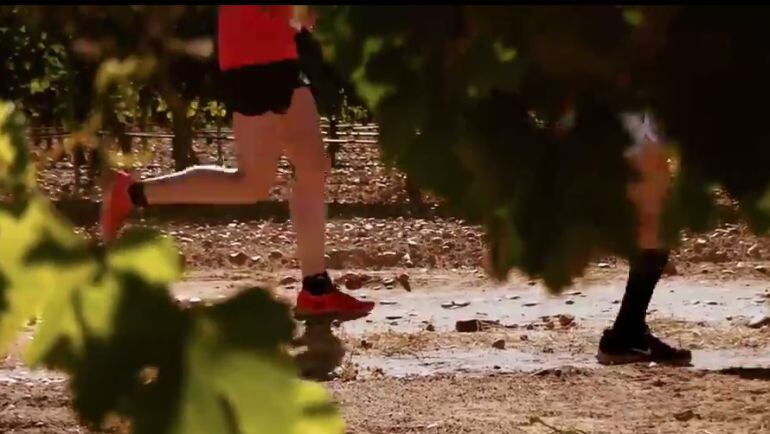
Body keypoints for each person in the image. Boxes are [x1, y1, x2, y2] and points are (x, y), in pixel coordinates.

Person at [100, 5, 374, 321]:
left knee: (312, 167)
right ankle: (131, 193)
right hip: (252, 61)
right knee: (251, 184)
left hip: (276, 56)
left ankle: (316, 290)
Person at [596, 113, 692, 365]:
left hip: (637, 122)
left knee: (655, 233)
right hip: (635, 124)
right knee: (655, 232)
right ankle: (624, 337)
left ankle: (629, 333)